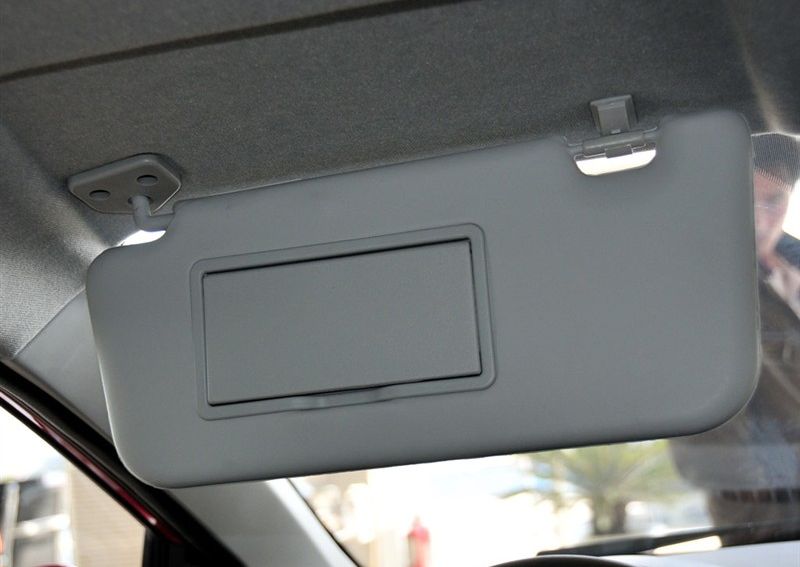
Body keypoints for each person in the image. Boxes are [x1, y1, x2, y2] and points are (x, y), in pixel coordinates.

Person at [670, 133, 800, 545]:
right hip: (772, 535)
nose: (760, 220)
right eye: (745, 198)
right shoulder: (700, 295)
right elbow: (710, 452)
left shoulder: (793, 266)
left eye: (774, 200)